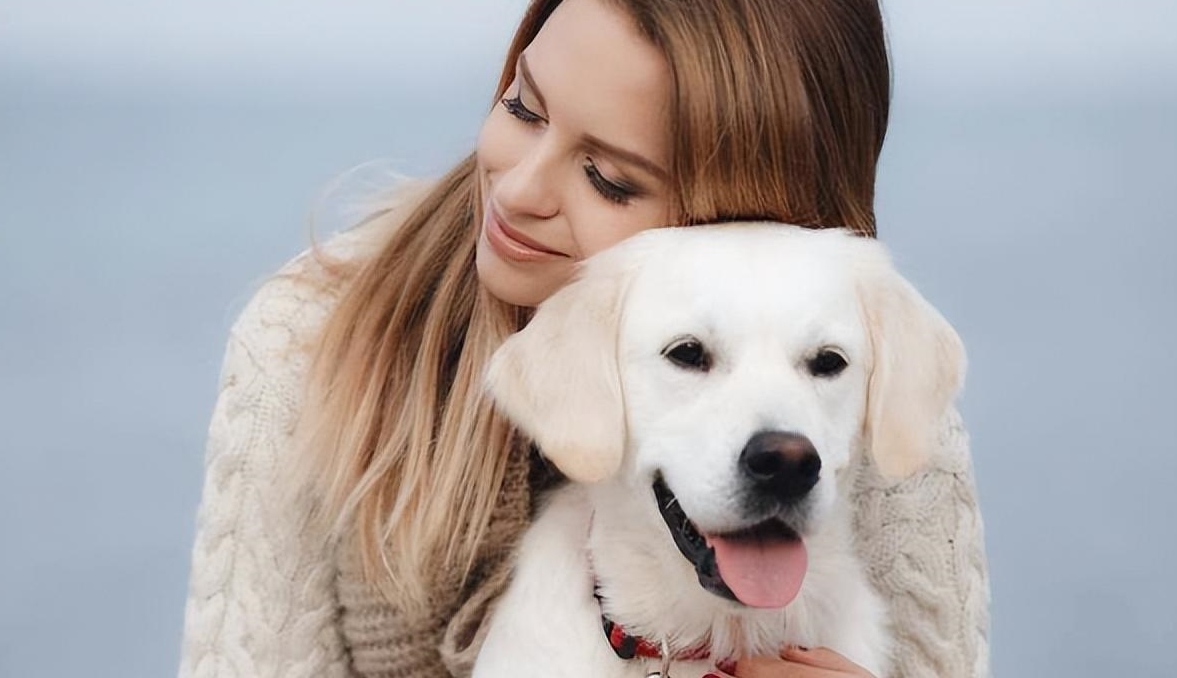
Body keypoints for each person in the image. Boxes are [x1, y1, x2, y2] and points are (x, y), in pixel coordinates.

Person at [178, 0, 990, 676]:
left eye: (609, 178)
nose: (519, 188)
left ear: (751, 208)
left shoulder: (868, 393)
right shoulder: (308, 339)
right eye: (522, 106)